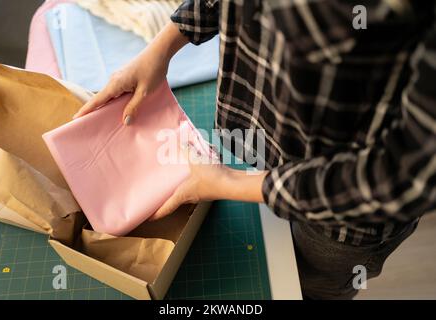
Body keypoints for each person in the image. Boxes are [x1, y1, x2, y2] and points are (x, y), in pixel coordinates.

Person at [73, 0, 436, 299]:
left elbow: (407, 176)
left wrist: (228, 184)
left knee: (305, 289)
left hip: (341, 222)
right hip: (262, 146)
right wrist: (163, 47)